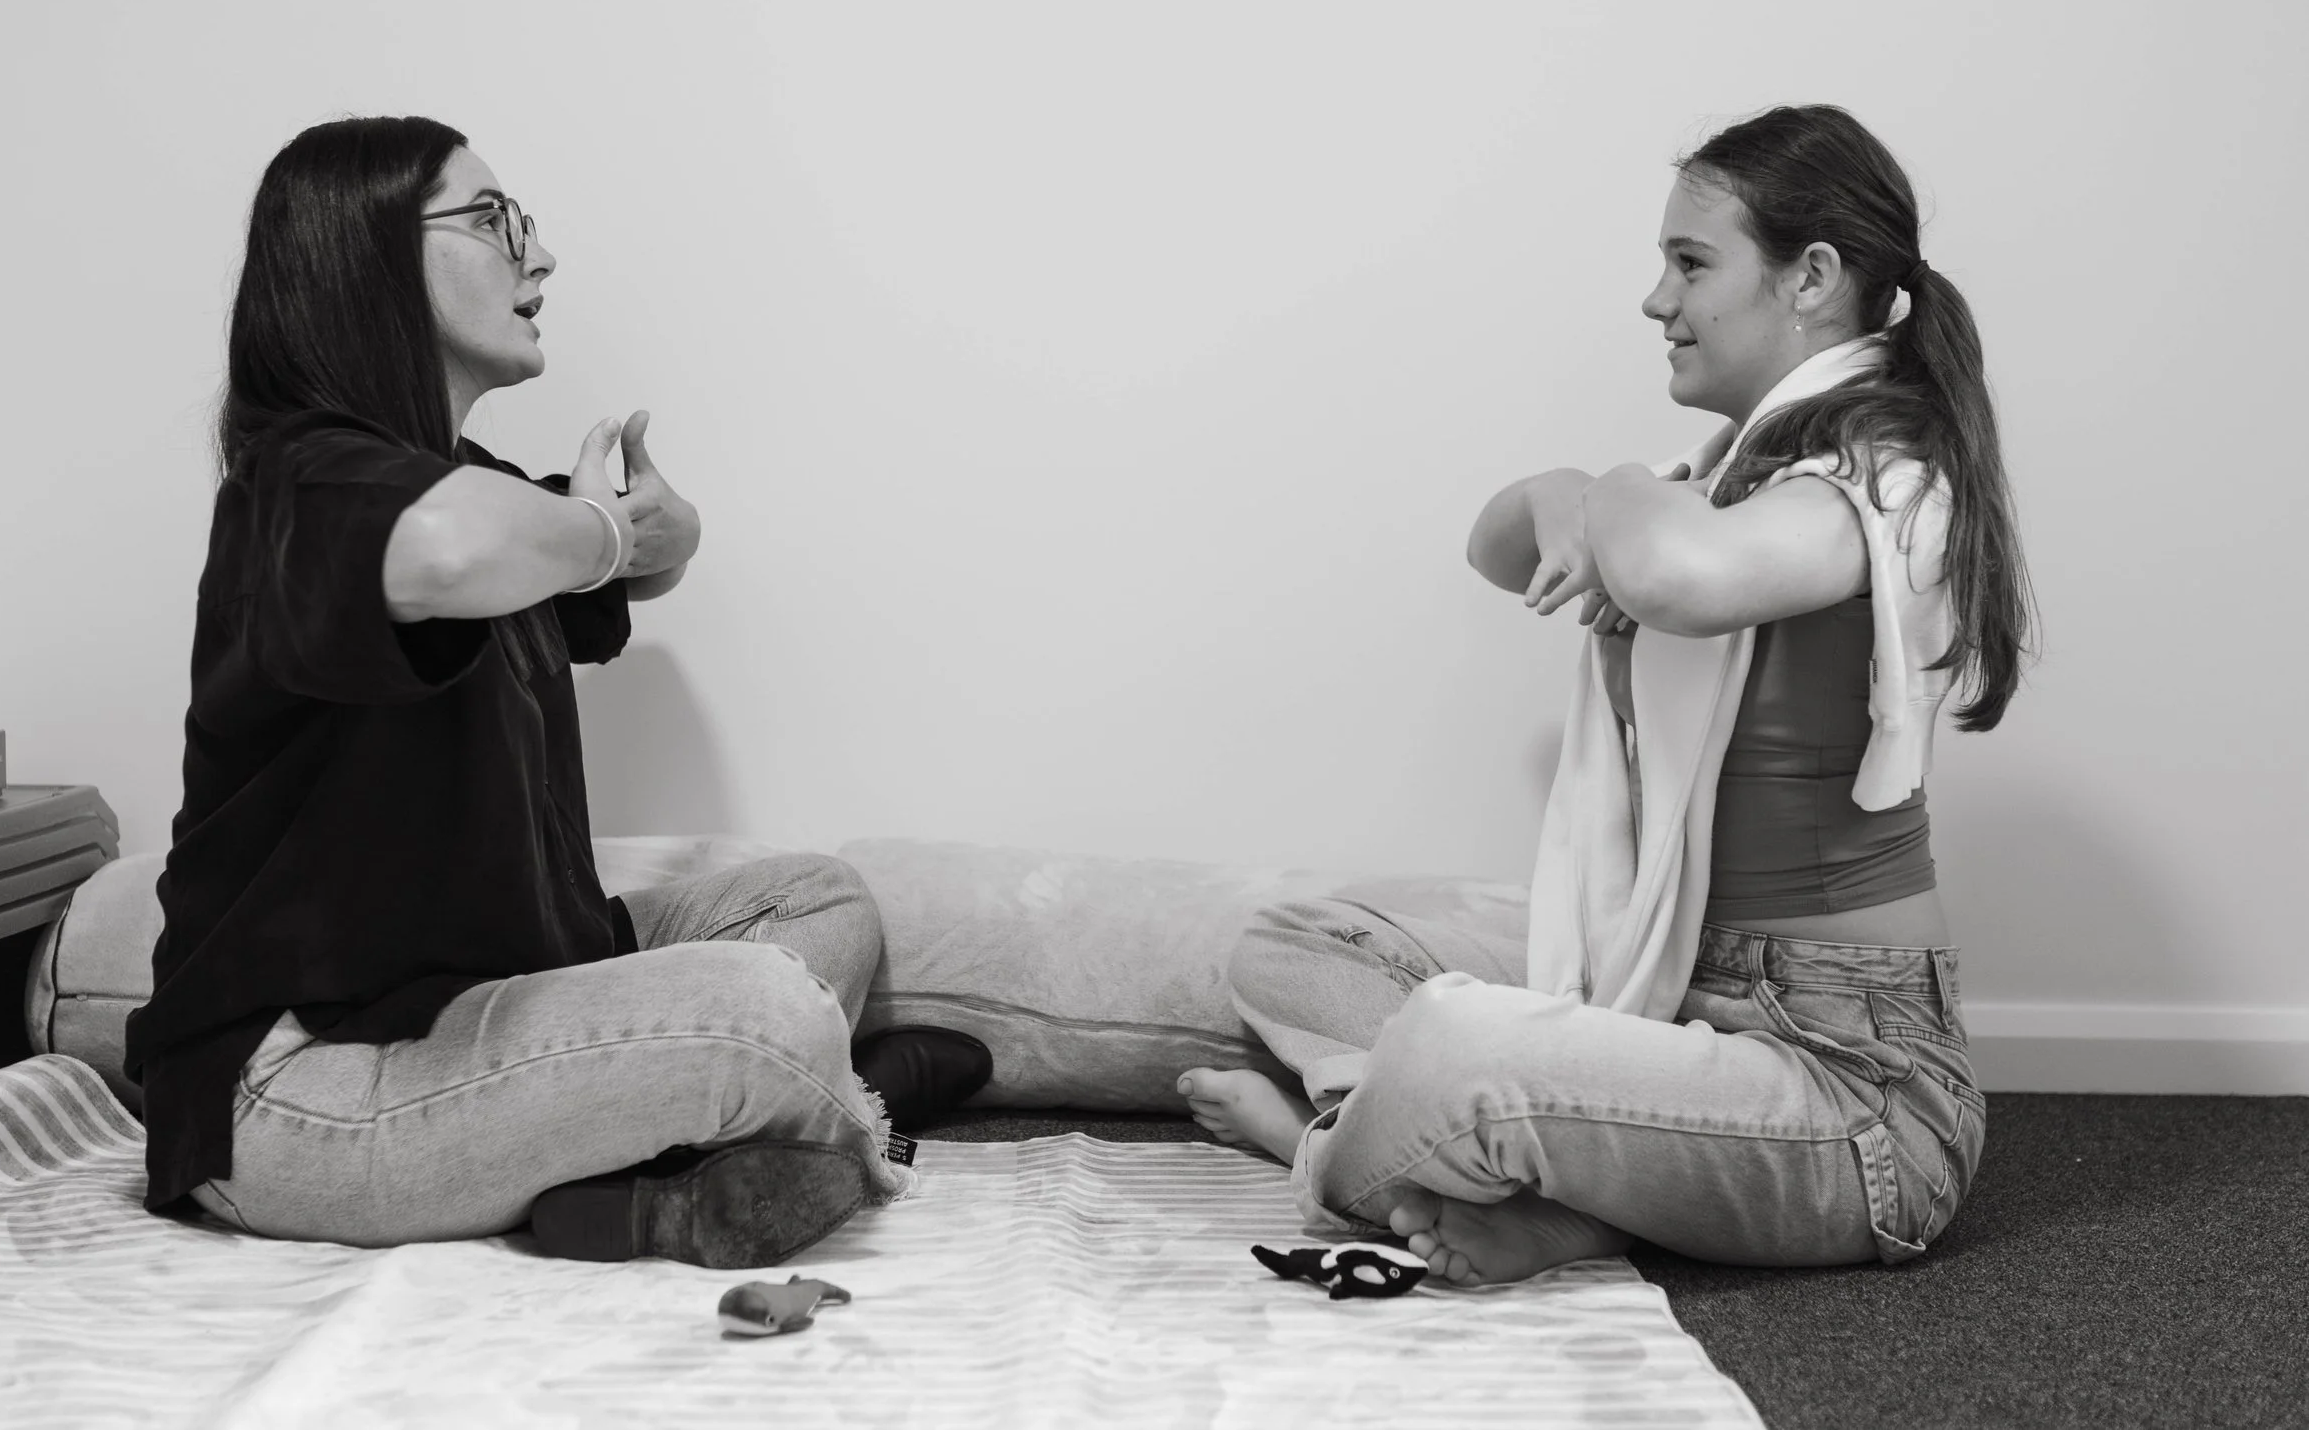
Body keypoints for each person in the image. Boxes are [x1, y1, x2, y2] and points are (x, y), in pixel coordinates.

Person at [1179, 104, 2032, 1281]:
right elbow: (1499, 544)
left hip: (1854, 1102)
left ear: (1812, 278)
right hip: (1671, 980)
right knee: (1300, 940)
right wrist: (1562, 490)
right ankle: (1559, 1176)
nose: (1655, 299)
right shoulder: (1724, 482)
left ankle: (1338, 1147)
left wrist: (1609, 485)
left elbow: (1676, 577)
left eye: (1690, 262)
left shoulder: (1882, 486)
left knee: (1451, 1042)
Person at [122, 115, 988, 1264]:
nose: (538, 256)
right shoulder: (302, 486)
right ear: (365, 253)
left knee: (812, 900)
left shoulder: (462, 486)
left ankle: (643, 1171)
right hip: (304, 1086)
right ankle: (810, 1109)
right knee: (763, 1010)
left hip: (496, 1003)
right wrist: (596, 529)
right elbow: (449, 557)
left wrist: (654, 534)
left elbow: (607, 558)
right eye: (491, 220)